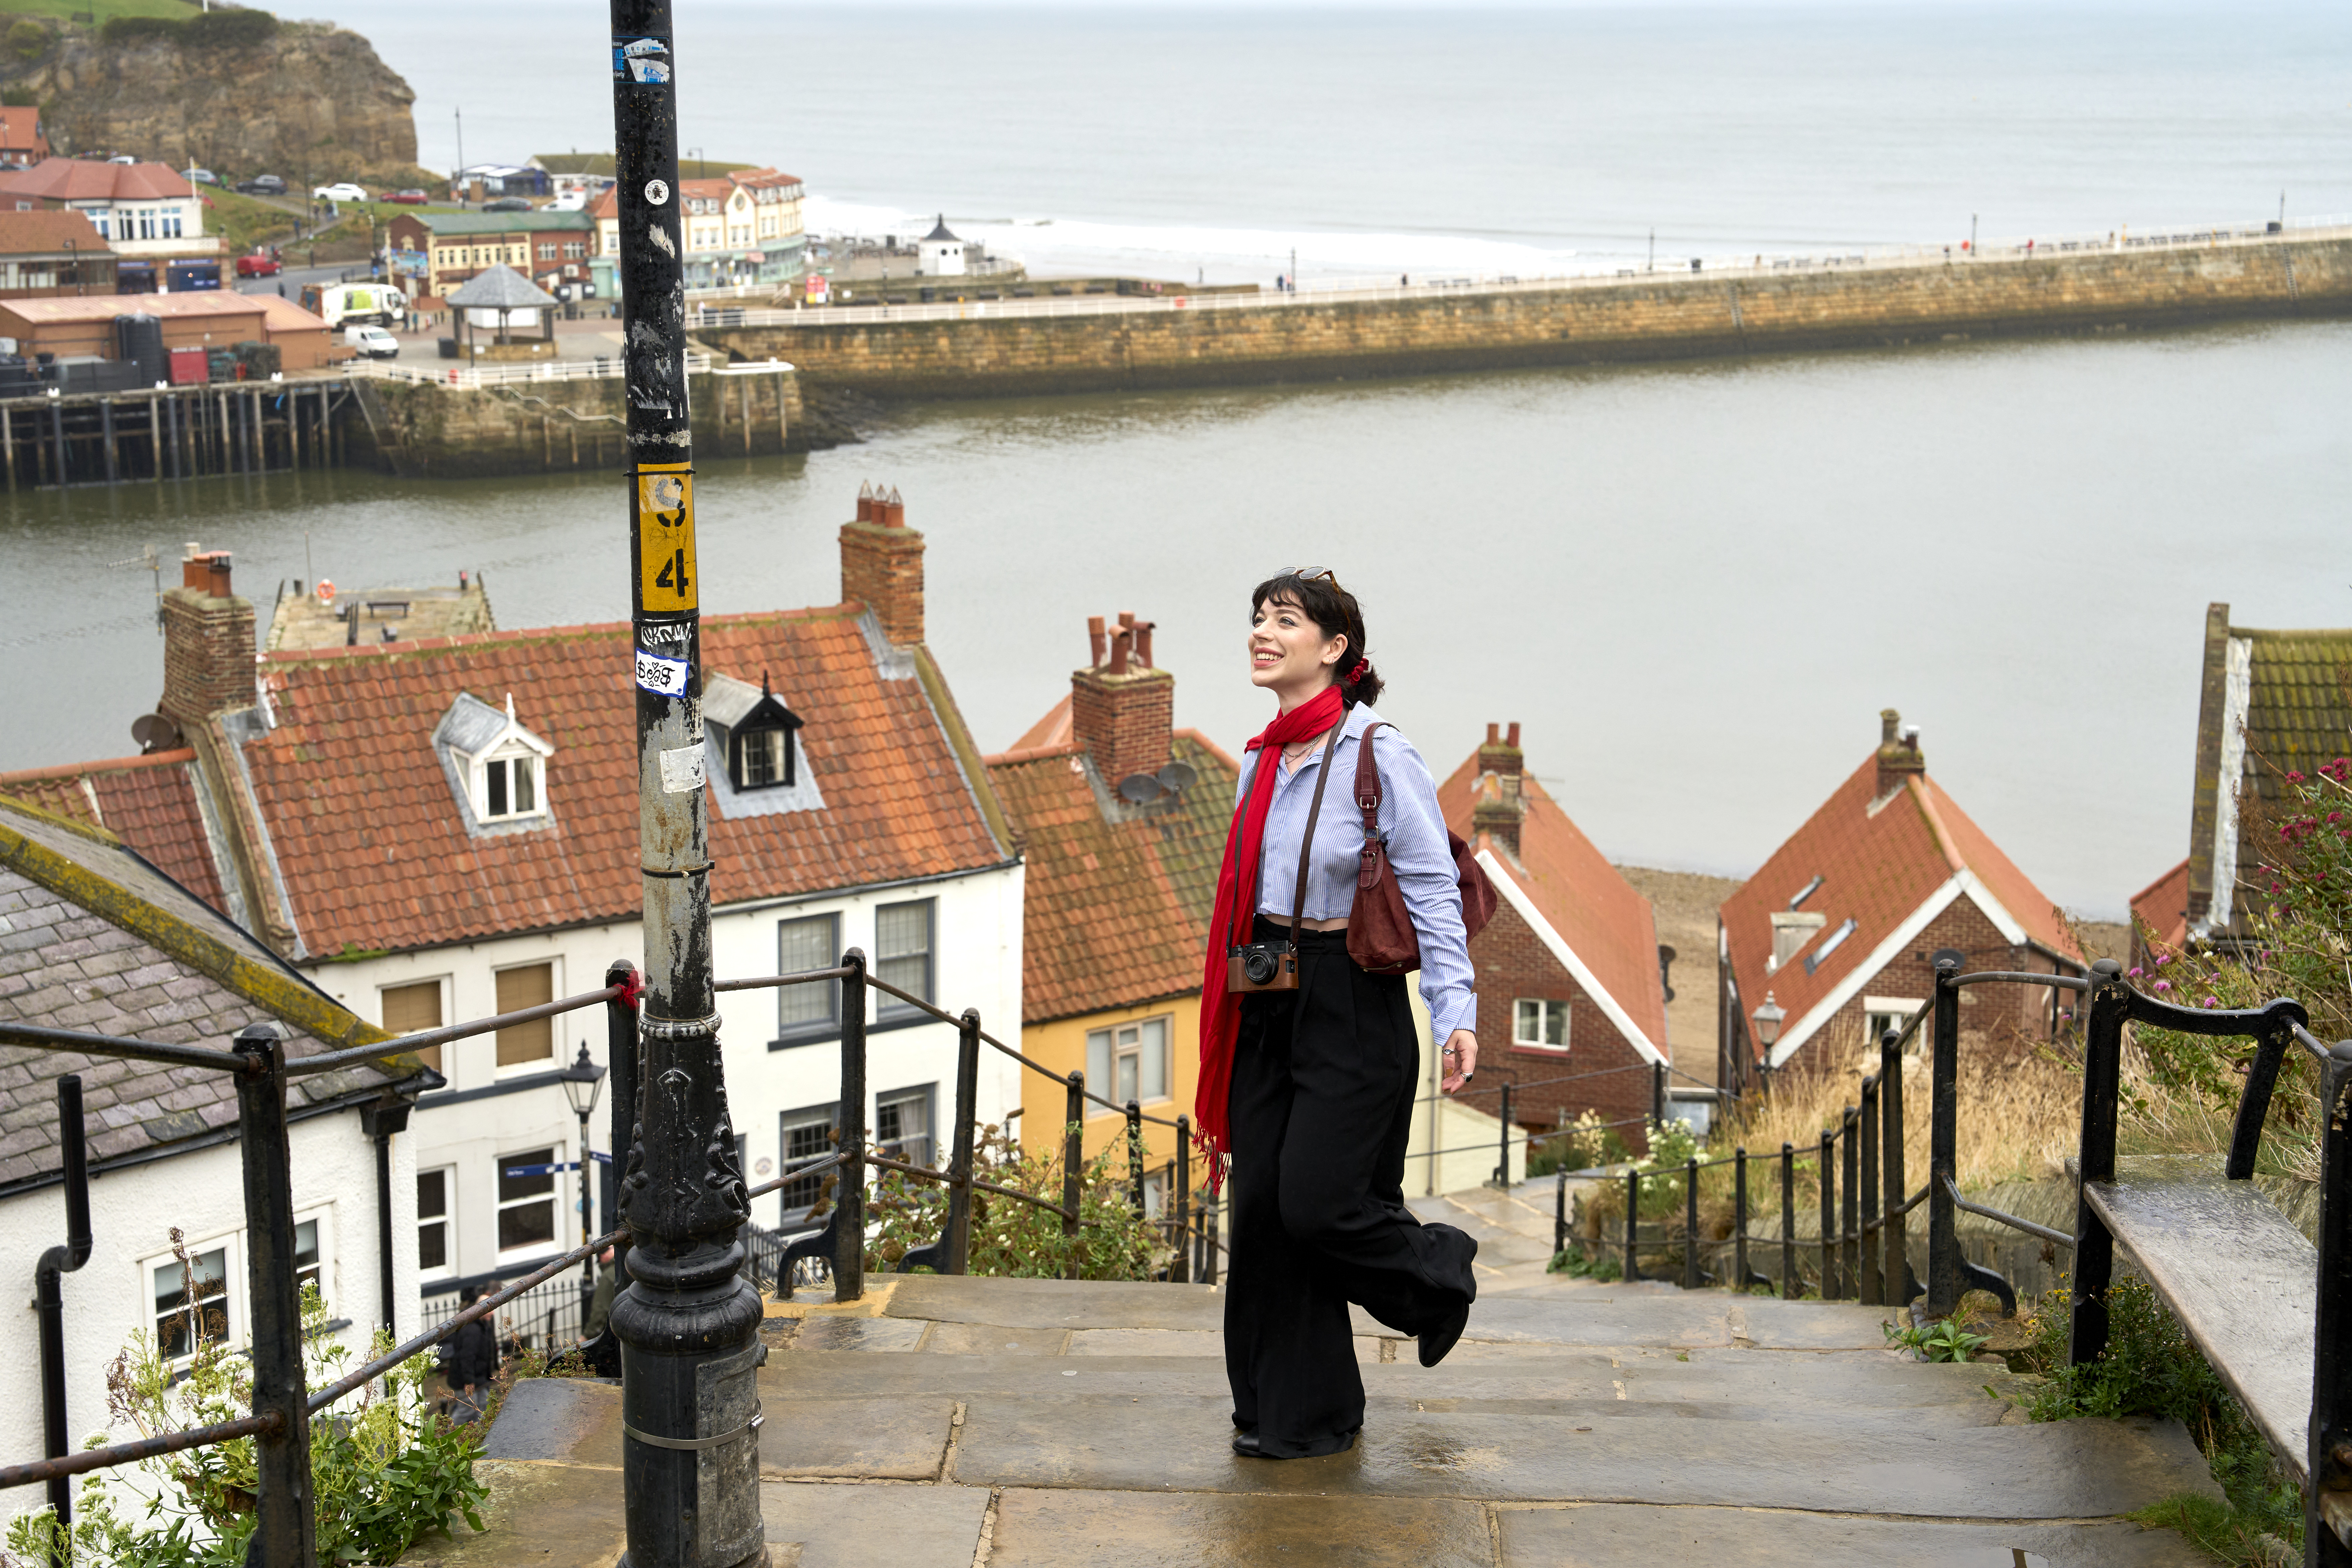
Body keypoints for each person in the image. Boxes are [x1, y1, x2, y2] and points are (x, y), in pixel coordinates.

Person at [1199, 567, 1481, 1461]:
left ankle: (1436, 1276)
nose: (1262, 632)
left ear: (1334, 649)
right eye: (1257, 618)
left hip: (1351, 998)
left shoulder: (1376, 751)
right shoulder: (1259, 756)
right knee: (1264, 1217)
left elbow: (1434, 887)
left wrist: (1456, 1012)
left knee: (1319, 1203)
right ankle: (1294, 1414)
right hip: (1267, 991)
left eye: (1284, 619)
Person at [443, 1285, 500, 1424]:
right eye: (490, 1310)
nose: (493, 1314)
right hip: (466, 1380)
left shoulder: (481, 1325)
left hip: (478, 1378)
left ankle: (480, 1435)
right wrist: (469, 1381)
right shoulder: (473, 1330)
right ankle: (449, 1436)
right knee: (467, 1409)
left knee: (483, 1407)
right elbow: (467, 1357)